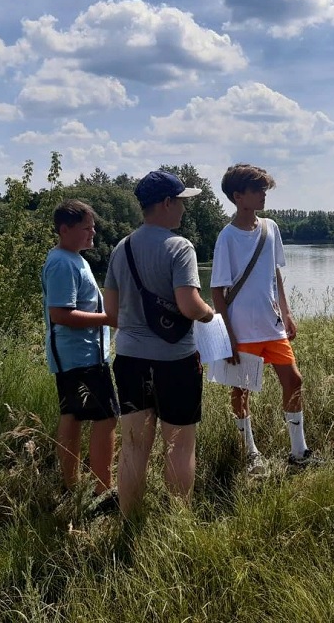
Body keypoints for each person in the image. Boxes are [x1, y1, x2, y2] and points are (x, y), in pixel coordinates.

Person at [103, 170, 215, 517]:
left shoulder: (121, 248)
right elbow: (188, 305)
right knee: (179, 446)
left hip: (130, 359)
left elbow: (111, 312)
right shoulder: (179, 247)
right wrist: (210, 314)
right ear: (166, 203)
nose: (184, 209)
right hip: (175, 362)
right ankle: (179, 521)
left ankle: (129, 520)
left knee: (134, 446)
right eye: (181, 202)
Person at [210, 164, 317, 475]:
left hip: (272, 327)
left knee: (294, 381)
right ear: (238, 196)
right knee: (240, 391)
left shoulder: (270, 228)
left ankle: (299, 451)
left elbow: (275, 273)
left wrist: (287, 312)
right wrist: (228, 337)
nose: (264, 194)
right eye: (258, 190)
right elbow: (217, 291)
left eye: (265, 189)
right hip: (242, 331)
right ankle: (250, 453)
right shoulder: (226, 237)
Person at [42, 199, 119, 516]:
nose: (93, 232)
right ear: (65, 229)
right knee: (107, 416)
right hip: (80, 356)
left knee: (73, 416)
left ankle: (72, 487)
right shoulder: (63, 263)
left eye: (93, 226)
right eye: (86, 227)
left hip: (79, 355)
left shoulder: (74, 258)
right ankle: (104, 493)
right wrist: (108, 319)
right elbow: (60, 314)